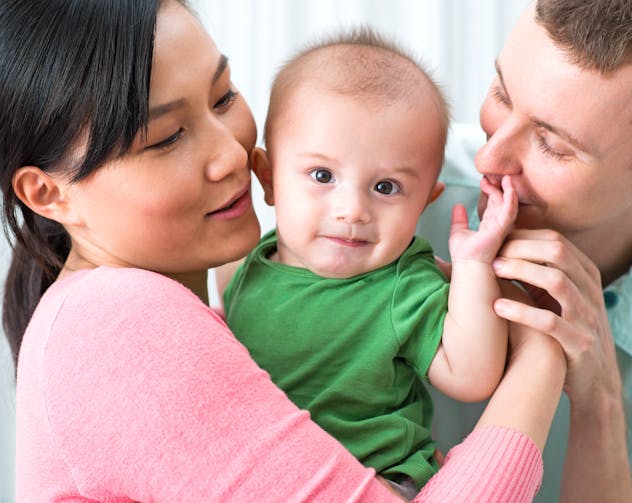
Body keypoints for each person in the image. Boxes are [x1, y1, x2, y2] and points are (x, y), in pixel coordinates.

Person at [0, 0, 566, 501]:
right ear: (47, 193)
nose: (232, 154)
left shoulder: (212, 295)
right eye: (168, 136)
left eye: (224, 97)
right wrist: (542, 353)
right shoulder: (116, 320)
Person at [417, 0, 632, 501]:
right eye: (502, 95)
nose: (489, 157)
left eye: (552, 144)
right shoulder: (391, 195)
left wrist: (601, 403)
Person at [222, 29, 520, 497]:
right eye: (323, 176)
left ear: (424, 203)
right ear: (268, 178)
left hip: (381, 480)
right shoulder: (250, 265)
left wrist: (474, 267)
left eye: (386, 188)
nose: (352, 210)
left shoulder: (404, 283)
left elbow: (473, 375)